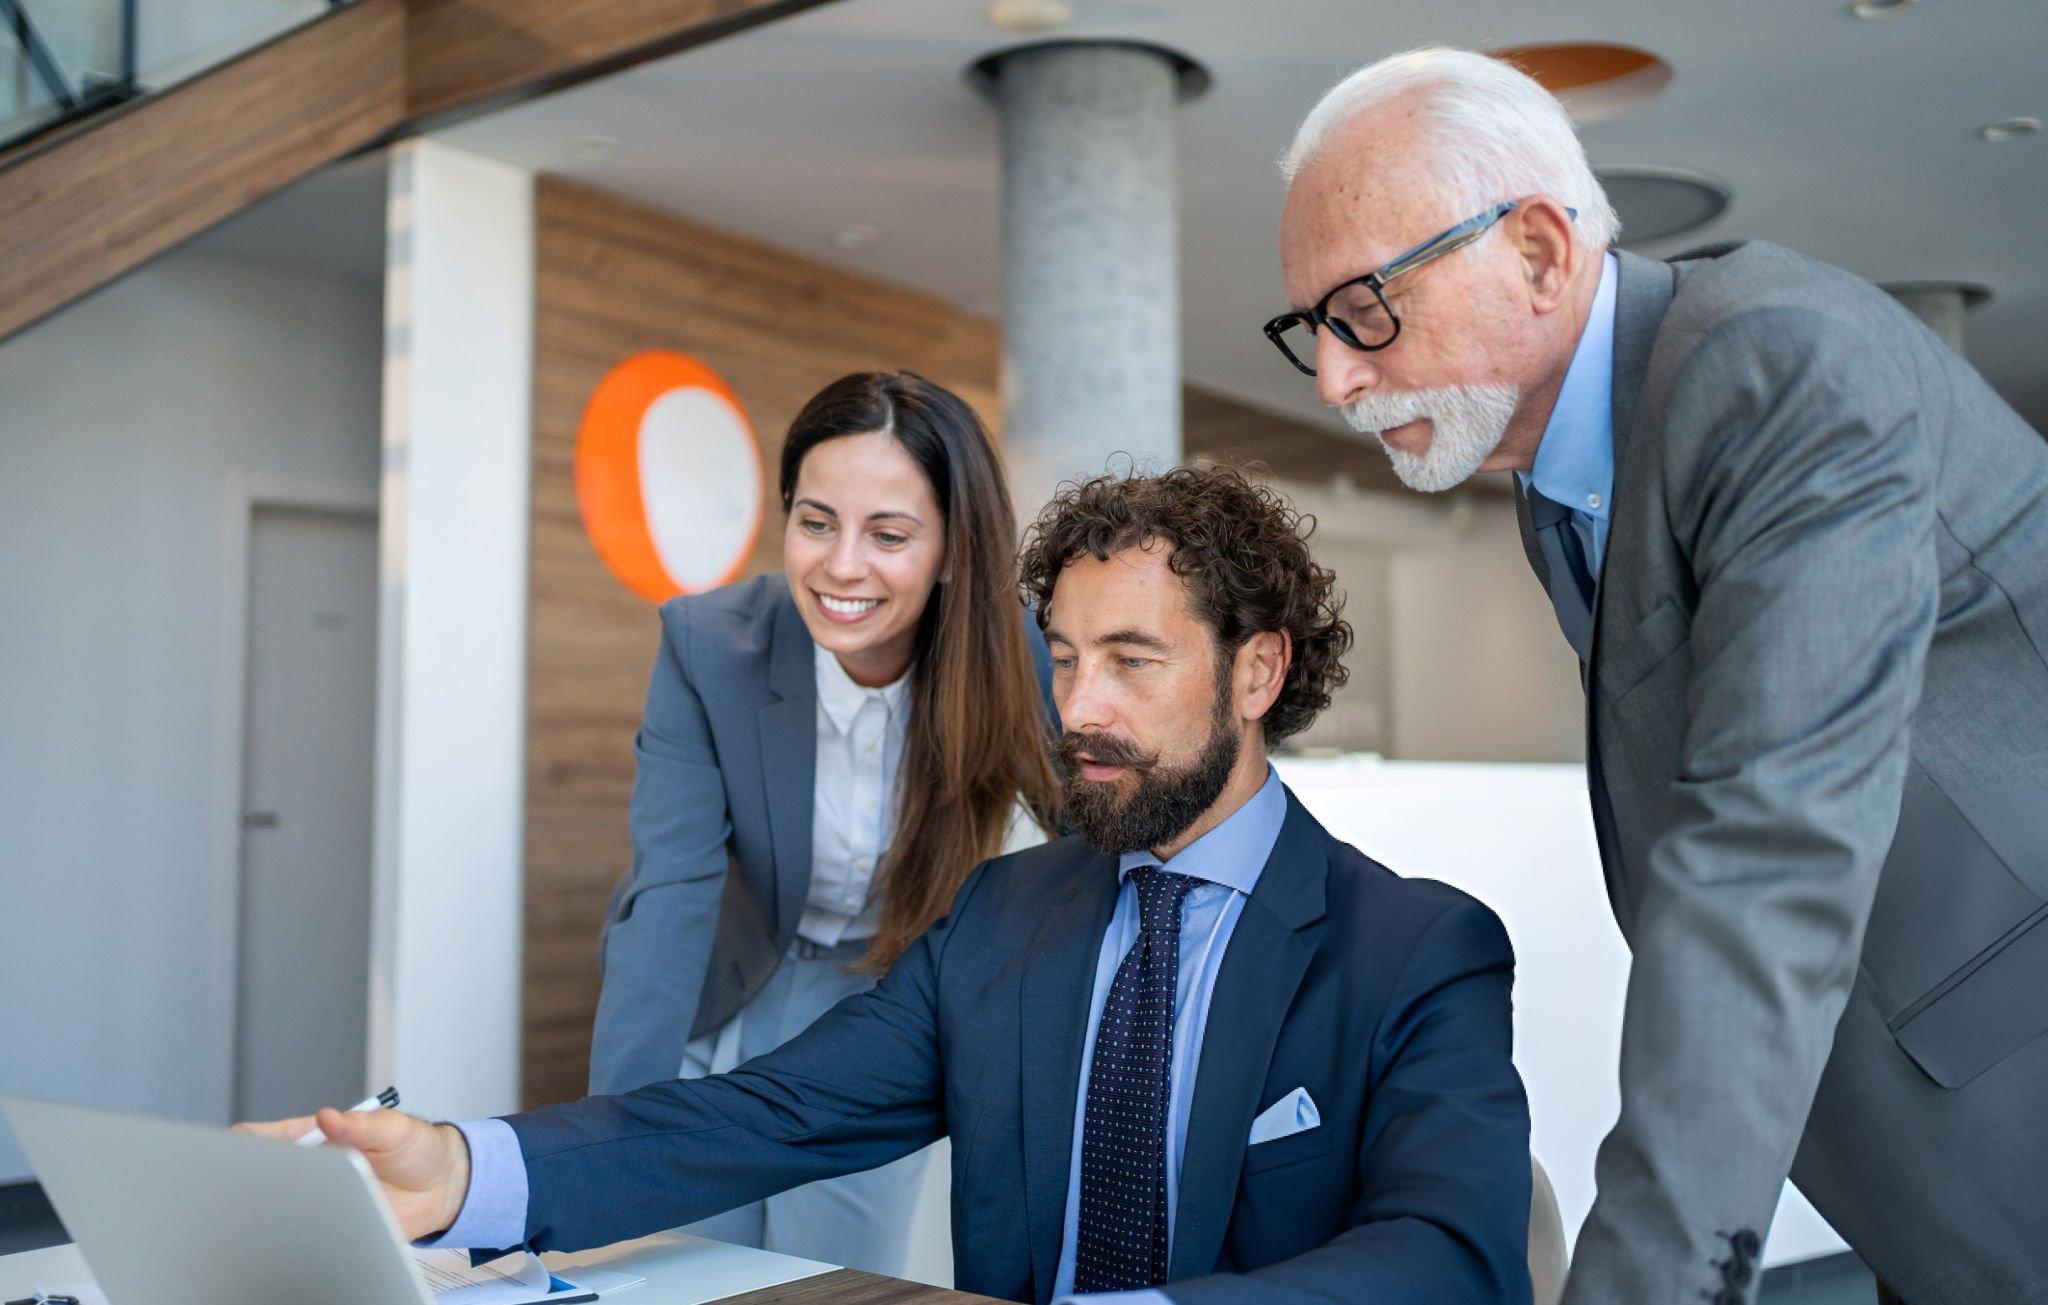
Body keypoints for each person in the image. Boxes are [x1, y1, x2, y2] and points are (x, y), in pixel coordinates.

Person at [245, 464, 1534, 1304]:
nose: (1078, 709)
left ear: (1257, 673)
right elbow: (767, 1114)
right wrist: (459, 1170)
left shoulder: (1415, 950)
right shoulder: (1004, 916)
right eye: (1063, 658)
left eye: (1132, 661)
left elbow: (1451, 1259)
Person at [1265, 45, 2048, 1305]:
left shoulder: (1779, 364)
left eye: (1362, 308)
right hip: (1922, 1165)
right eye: (1308, 327)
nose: (1334, 375)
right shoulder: (1555, 484)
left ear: (1536, 251)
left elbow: (1764, 855)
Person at [584, 370, 1062, 1274]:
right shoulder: (708, 645)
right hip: (723, 987)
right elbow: (670, 896)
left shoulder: (1021, 656)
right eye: (816, 522)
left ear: (953, 549)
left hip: (880, 1004)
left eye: (889, 534)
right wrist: (605, 1146)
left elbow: (1097, 856)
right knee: (682, 1259)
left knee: (836, 1274)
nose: (842, 565)